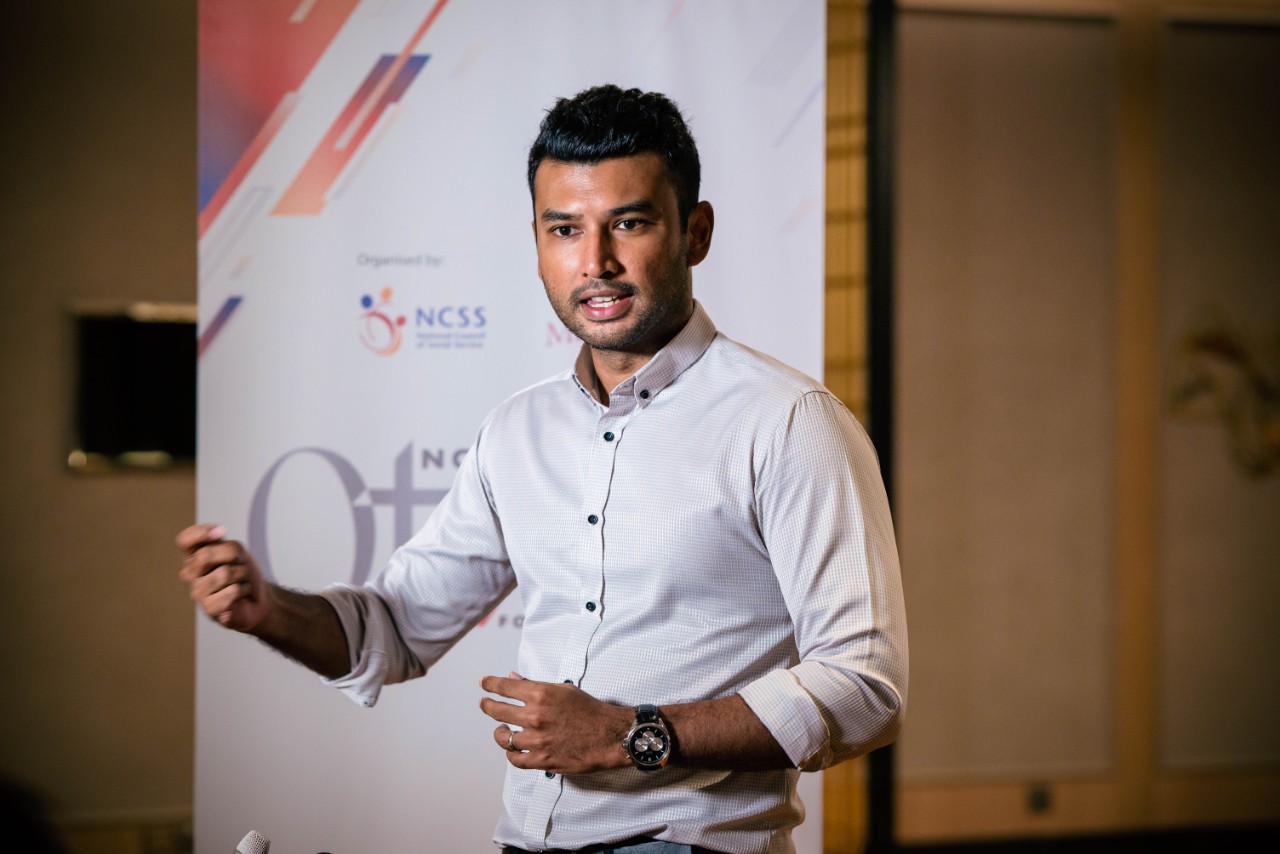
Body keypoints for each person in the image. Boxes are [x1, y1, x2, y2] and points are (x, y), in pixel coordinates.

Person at [178, 84, 907, 854]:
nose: (595, 262)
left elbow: (865, 686)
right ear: (536, 245)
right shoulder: (516, 431)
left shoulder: (788, 422)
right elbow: (393, 629)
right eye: (565, 229)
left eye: (629, 223)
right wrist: (269, 610)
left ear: (695, 233)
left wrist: (632, 735)